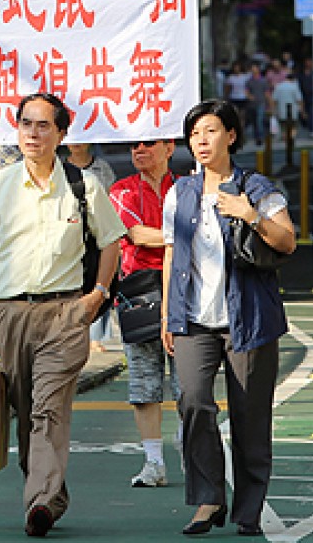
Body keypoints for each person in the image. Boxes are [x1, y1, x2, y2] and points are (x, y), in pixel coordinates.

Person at [0, 93, 125, 537]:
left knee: (47, 409)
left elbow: (111, 241)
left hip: (65, 313)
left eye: (43, 126)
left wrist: (97, 294)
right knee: (24, 410)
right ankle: (50, 495)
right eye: (26, 125)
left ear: (61, 134)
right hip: (10, 314)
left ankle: (38, 502)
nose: (33, 134)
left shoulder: (82, 185)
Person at [162, 99, 296, 537]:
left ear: (231, 136)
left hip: (249, 319)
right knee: (194, 403)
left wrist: (250, 214)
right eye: (195, 133)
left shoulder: (256, 187)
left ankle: (249, 510)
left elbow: (287, 241)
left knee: (249, 415)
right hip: (193, 321)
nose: (202, 140)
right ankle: (208, 499)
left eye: (211, 131)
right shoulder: (179, 192)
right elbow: (170, 252)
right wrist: (167, 313)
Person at [108, 139, 180, 488]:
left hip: (183, 294)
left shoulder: (186, 187)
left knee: (189, 386)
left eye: (148, 144)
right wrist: (185, 234)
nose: (139, 150)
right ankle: (153, 463)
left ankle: (191, 452)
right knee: (143, 384)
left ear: (169, 147)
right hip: (139, 297)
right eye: (133, 145)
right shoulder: (121, 191)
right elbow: (135, 234)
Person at [64, 143, 117, 352]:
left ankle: (97, 336)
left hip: (99, 233)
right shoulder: (59, 169)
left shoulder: (102, 168)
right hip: (74, 237)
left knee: (100, 282)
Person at [271, 71, 305, 140]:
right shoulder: (294, 87)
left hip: (281, 110)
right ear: (293, 79)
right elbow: (299, 99)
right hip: (293, 110)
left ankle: (285, 137)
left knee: (283, 125)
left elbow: (274, 100)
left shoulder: (278, 86)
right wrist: (302, 110)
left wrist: (273, 110)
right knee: (294, 125)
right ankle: (291, 137)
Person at [244, 64, 270, 144]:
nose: (253, 71)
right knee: (254, 121)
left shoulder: (263, 80)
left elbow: (267, 93)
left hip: (261, 103)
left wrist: (269, 104)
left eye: (255, 69)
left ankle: (260, 137)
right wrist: (249, 97)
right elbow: (246, 91)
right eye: (252, 69)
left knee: (259, 120)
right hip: (252, 104)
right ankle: (257, 136)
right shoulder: (249, 81)